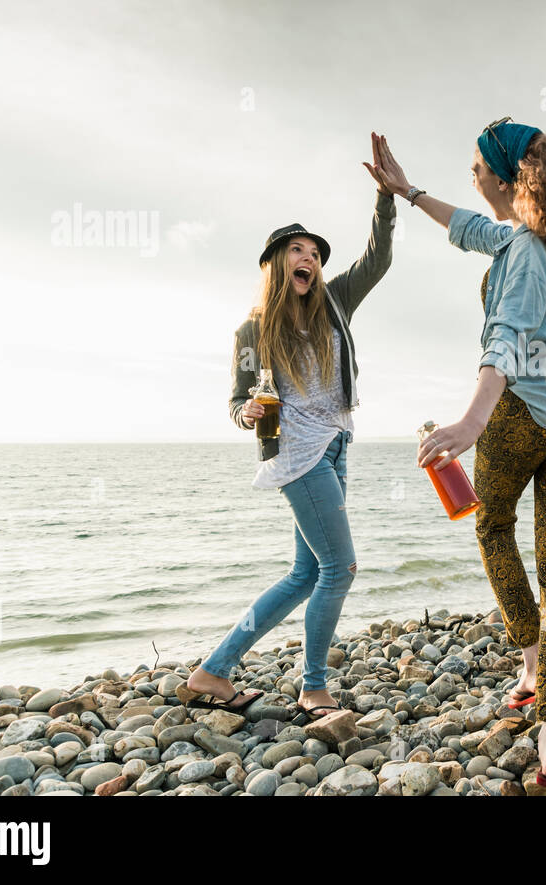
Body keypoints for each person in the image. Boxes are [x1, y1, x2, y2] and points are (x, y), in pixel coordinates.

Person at [366, 119, 546, 789]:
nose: (470, 175)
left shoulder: (526, 251)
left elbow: (505, 338)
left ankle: (531, 657)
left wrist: (473, 419)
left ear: (504, 176)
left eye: (476, 166)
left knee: (491, 522)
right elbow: (473, 228)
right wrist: (408, 191)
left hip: (523, 414)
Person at [183, 134, 396, 719]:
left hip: (336, 447)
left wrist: (385, 200)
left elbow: (377, 260)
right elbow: (237, 399)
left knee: (306, 573)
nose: (311, 259)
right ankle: (313, 685)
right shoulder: (252, 331)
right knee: (340, 568)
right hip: (297, 454)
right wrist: (245, 412)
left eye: (317, 254)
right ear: (279, 262)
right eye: (299, 251)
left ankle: (213, 673)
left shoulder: (336, 304)